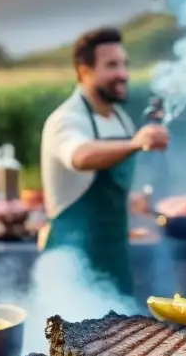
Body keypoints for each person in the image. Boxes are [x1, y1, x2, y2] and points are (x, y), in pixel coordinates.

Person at [39, 27, 169, 296]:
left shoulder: (119, 117)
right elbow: (81, 157)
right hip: (73, 265)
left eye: (124, 64)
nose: (122, 74)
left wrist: (132, 200)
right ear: (84, 71)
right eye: (111, 65)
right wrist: (136, 143)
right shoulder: (66, 119)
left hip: (115, 260)